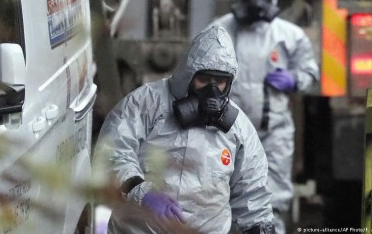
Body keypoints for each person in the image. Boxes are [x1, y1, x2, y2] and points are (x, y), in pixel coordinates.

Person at [94, 26, 274, 233]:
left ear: (230, 82)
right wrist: (141, 191)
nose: (212, 91)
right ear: (188, 74)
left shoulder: (239, 130)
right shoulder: (146, 104)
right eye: (204, 80)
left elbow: (253, 194)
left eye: (220, 82)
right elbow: (111, 152)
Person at [208, 0, 320, 233]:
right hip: (226, 132)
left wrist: (294, 79)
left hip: (274, 132)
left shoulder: (289, 36)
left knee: (271, 201)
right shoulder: (220, 31)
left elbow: (310, 72)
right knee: (219, 195)